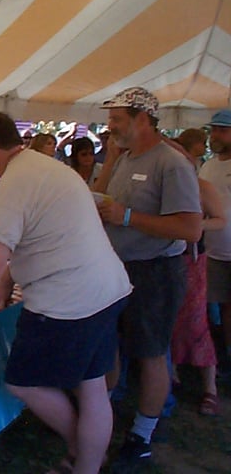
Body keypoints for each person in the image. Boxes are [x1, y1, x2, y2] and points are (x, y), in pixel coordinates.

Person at [0, 111, 131, 474]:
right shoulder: (45, 167)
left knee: (23, 382)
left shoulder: (13, 184)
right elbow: (34, 236)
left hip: (69, 302)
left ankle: (81, 452)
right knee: (93, 386)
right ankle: (87, 462)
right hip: (107, 289)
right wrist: (8, 279)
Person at [92, 86, 201, 470]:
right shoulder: (125, 157)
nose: (109, 127)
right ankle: (98, 419)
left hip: (155, 272)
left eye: (116, 120)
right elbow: (103, 197)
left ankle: (141, 436)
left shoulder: (171, 164)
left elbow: (191, 229)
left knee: (152, 354)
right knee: (110, 347)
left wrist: (126, 217)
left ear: (142, 120)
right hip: (118, 268)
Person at [169, 129, 225, 416]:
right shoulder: (167, 185)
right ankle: (174, 373)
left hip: (193, 260)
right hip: (167, 260)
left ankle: (209, 387)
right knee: (172, 317)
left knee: (195, 320)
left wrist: (195, 226)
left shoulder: (202, 186)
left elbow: (220, 220)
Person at [199, 108, 231, 377]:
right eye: (214, 130)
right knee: (220, 306)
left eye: (222, 130)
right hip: (215, 249)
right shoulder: (208, 166)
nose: (215, 135)